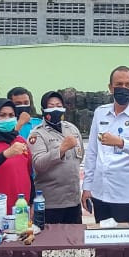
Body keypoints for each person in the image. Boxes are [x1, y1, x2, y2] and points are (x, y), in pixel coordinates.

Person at [82, 65, 129, 223]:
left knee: (126, 245)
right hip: (100, 193)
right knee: (102, 242)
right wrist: (87, 186)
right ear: (110, 87)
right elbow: (92, 153)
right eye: (119, 84)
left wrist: (121, 143)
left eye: (128, 85)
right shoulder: (100, 113)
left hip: (126, 196)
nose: (123, 88)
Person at [29, 91, 85, 224]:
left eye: (59, 105)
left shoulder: (72, 129)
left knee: (73, 240)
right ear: (43, 109)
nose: (55, 109)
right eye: (51, 105)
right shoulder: (37, 134)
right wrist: (61, 149)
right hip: (50, 203)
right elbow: (38, 164)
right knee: (51, 241)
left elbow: (80, 157)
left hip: (73, 200)